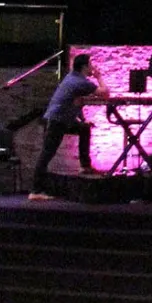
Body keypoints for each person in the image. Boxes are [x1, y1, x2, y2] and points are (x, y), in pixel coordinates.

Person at [30, 53, 103, 198]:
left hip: (63, 120)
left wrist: (82, 119)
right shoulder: (80, 82)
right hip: (58, 120)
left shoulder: (72, 78)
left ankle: (85, 166)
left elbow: (75, 101)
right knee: (47, 153)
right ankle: (35, 191)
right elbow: (105, 93)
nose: (93, 67)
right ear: (84, 67)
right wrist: (99, 76)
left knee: (84, 129)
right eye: (90, 64)